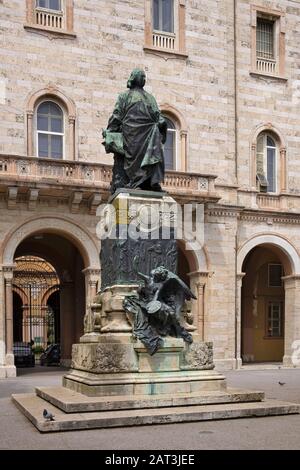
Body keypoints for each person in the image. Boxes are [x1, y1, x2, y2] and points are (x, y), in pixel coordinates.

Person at [103, 68, 167, 193]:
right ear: (133, 78)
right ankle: (136, 181)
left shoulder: (150, 98)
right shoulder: (124, 96)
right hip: (131, 133)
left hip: (149, 132)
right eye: (141, 76)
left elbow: (157, 114)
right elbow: (117, 115)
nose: (143, 78)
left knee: (154, 151)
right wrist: (111, 130)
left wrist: (161, 121)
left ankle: (150, 182)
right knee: (134, 159)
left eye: (144, 76)